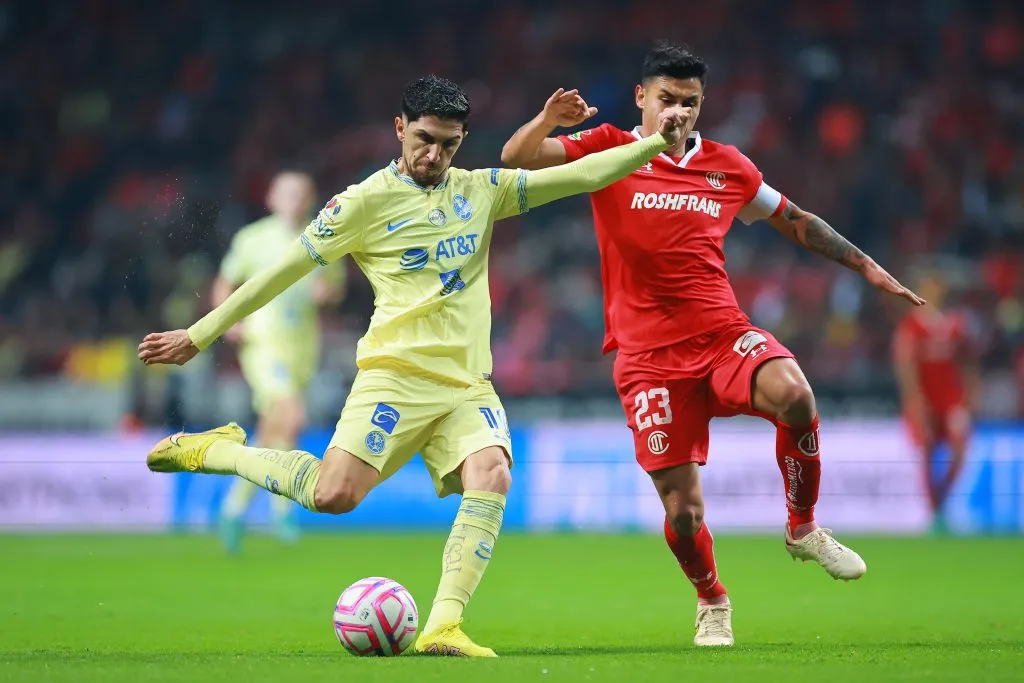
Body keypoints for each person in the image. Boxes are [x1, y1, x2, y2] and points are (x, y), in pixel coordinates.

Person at [138, 75, 688, 657]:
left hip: (466, 384)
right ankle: (218, 449)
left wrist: (656, 143)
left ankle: (443, 626)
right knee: (333, 496)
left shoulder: (482, 190)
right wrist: (198, 336)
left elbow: (580, 175)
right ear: (399, 128)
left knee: (494, 472)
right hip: (394, 378)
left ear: (463, 140)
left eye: (449, 145)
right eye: (424, 139)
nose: (435, 155)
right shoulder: (362, 202)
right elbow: (280, 272)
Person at [500, 41, 924, 646]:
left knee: (795, 394)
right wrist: (548, 120)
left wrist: (867, 267)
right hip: (647, 359)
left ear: (703, 105)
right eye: (667, 100)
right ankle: (712, 599)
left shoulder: (728, 165)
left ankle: (802, 527)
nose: (678, 112)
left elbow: (797, 219)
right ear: (642, 98)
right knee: (682, 510)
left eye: (690, 102)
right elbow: (517, 158)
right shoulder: (609, 149)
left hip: (723, 334)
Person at [212, 171, 346, 553]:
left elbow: (333, 287)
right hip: (264, 341)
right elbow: (224, 283)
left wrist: (328, 291)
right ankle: (282, 509)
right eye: (287, 192)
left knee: (277, 430)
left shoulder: (321, 237)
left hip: (302, 345)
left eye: (301, 194)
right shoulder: (253, 238)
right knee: (291, 415)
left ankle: (235, 508)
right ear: (271, 198)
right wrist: (230, 319)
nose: (294, 200)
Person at [893, 272, 976, 534]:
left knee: (960, 450)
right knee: (927, 450)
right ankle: (934, 510)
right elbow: (906, 365)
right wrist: (914, 400)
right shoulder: (912, 326)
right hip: (925, 400)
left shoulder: (955, 325)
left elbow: (968, 363)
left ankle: (941, 499)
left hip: (951, 399)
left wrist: (970, 396)